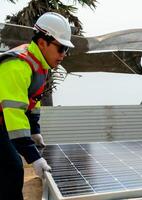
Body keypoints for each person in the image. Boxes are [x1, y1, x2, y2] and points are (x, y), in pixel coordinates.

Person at [0, 12, 74, 200]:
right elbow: (14, 114)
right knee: (12, 167)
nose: (63, 55)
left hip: (3, 121)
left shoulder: (39, 65)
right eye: (61, 48)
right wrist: (33, 156)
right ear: (43, 42)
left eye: (66, 50)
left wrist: (35, 131)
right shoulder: (17, 65)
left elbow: (33, 102)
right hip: (4, 120)